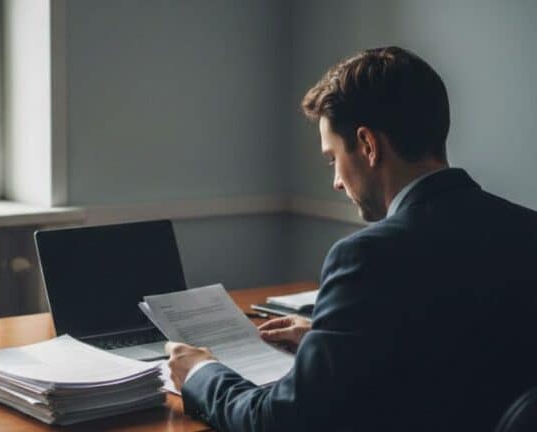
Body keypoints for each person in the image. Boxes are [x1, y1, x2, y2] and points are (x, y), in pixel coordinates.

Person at [165, 46, 537, 431]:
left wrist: (201, 373)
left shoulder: (368, 256)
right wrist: (336, 342)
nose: (337, 181)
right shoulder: (527, 229)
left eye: (332, 159)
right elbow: (459, 350)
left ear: (368, 145)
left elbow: (280, 422)